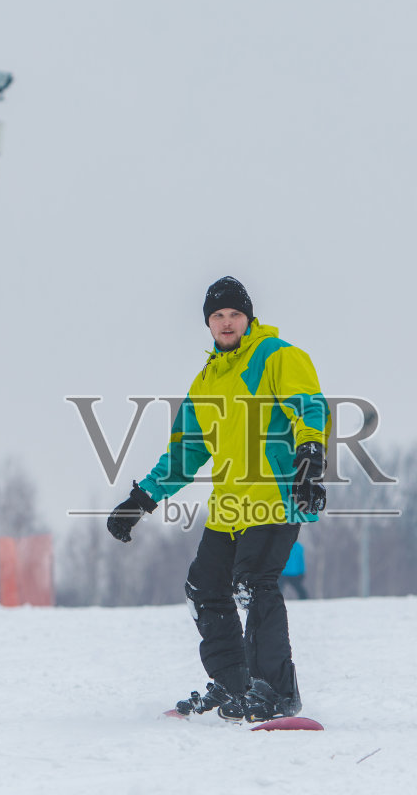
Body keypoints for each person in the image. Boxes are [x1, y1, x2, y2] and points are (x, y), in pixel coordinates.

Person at [106, 276, 329, 721]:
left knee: (252, 582)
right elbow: (186, 452)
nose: (227, 323)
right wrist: (139, 501)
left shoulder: (277, 357)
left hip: (274, 497)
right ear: (208, 324)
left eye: (235, 315)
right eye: (218, 316)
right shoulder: (207, 380)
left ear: (248, 318)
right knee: (204, 587)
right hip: (230, 508)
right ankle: (234, 685)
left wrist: (309, 461)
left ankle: (277, 693)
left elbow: (310, 407)